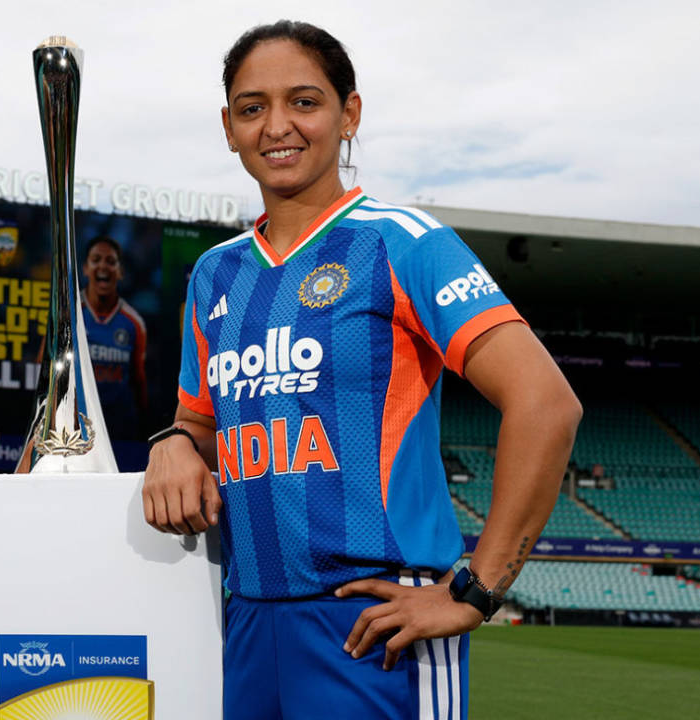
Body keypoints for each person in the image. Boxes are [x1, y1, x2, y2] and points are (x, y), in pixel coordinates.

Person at [141, 21, 580, 719]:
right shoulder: (213, 275)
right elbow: (199, 422)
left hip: (377, 623)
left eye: (305, 102)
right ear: (229, 127)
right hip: (246, 623)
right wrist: (171, 443)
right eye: (253, 108)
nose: (277, 126)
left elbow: (546, 404)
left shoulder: (403, 242)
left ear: (350, 114)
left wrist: (476, 590)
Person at [81, 236, 148, 443]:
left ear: (120, 272)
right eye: (96, 259)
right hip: (77, 426)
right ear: (85, 268)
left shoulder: (133, 323)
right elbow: (43, 366)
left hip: (119, 428)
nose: (103, 266)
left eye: (110, 261)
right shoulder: (69, 314)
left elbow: (139, 381)